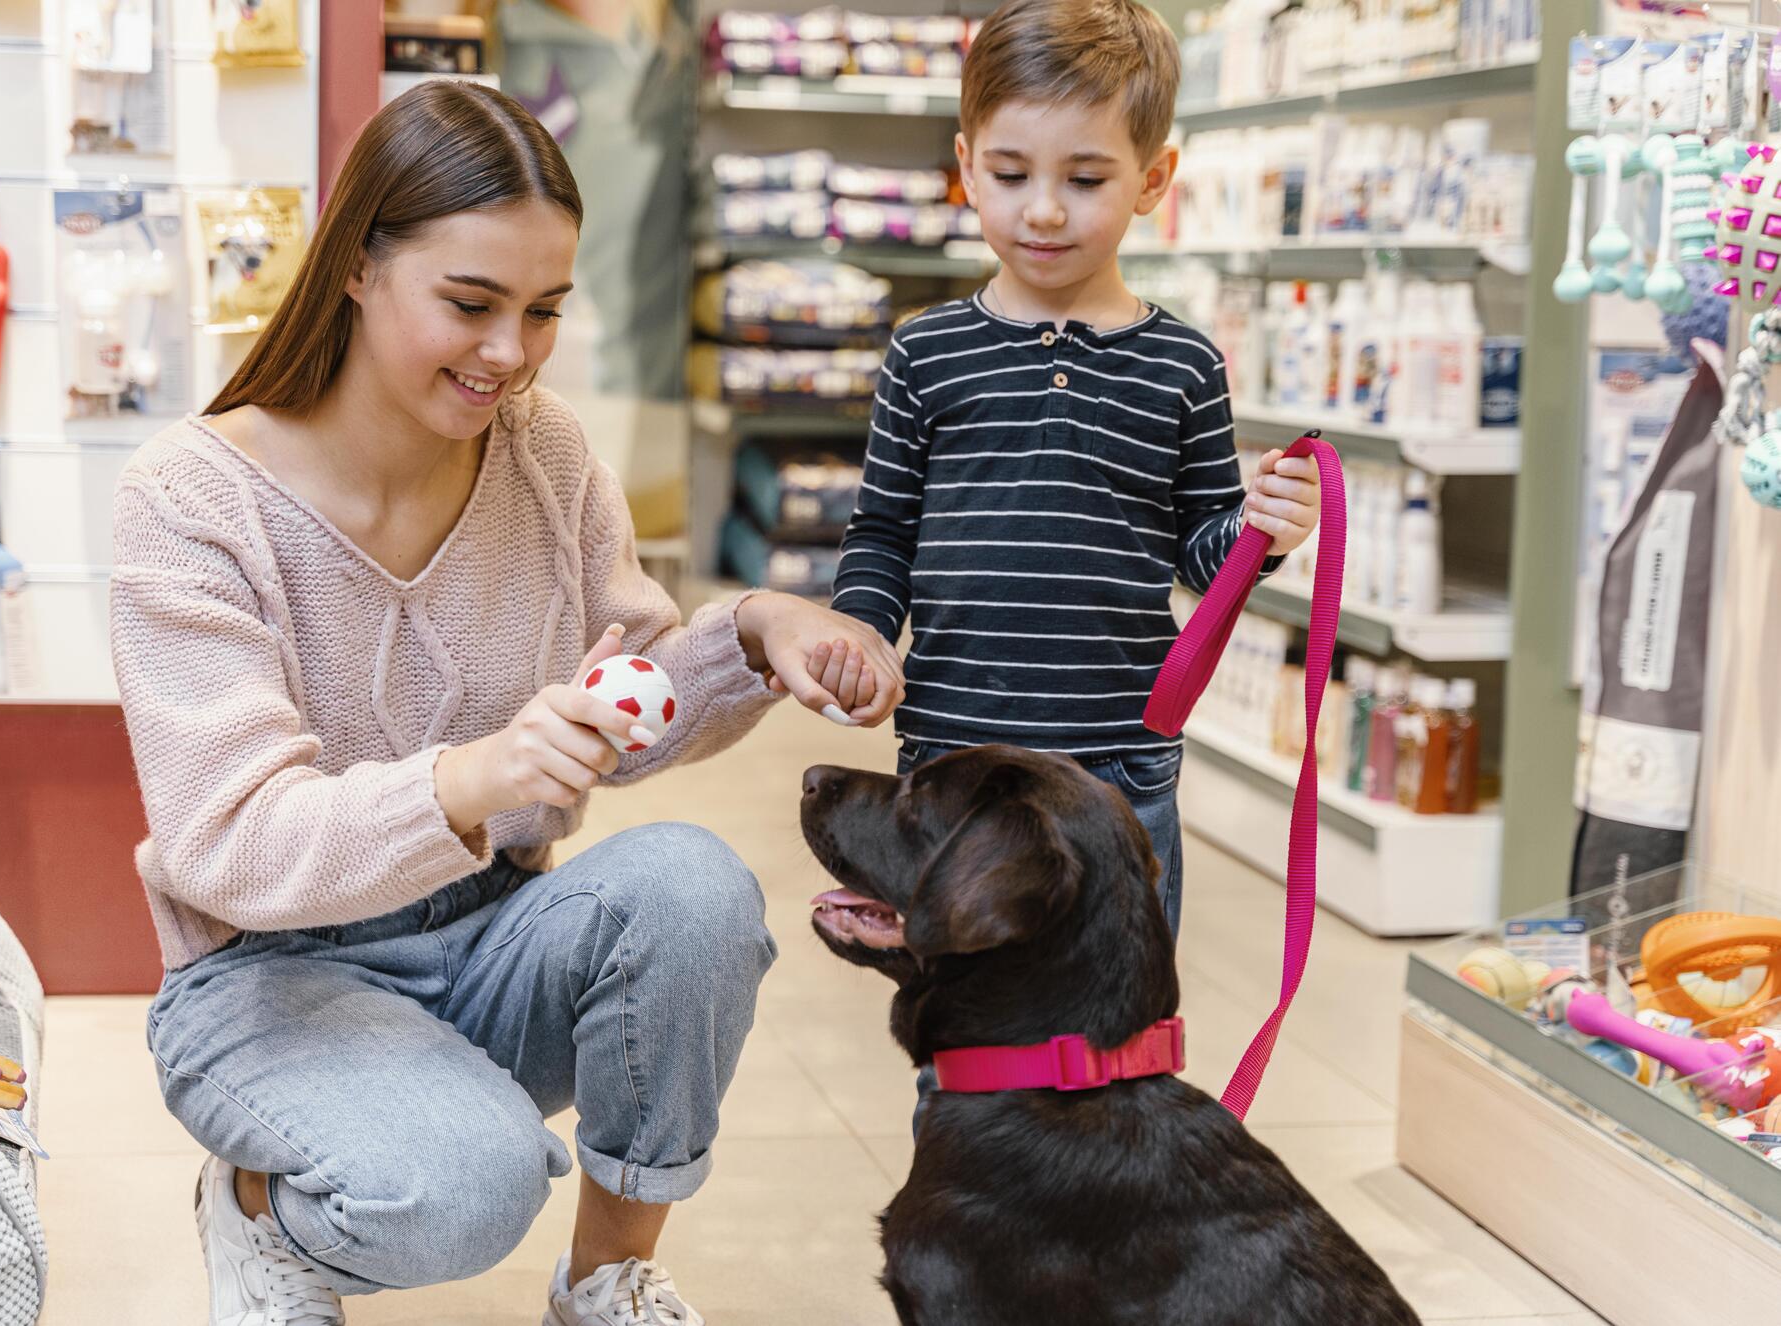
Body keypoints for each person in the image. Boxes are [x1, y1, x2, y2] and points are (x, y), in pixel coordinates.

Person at [109, 80, 900, 1326]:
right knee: (462, 1187)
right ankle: (254, 1206)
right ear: (358, 265)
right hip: (268, 978)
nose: (510, 355)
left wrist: (752, 631)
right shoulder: (193, 500)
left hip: (489, 936)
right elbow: (230, 840)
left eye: (541, 312)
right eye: (471, 305)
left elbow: (620, 703)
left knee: (694, 888)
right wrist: (475, 776)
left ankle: (606, 1279)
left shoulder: (542, 454)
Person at [826, 0, 1321, 942]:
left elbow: (1201, 556)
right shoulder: (924, 354)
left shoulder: (1184, 365)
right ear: (967, 167)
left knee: (1117, 1036)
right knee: (965, 1035)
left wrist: (1264, 526)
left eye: (1086, 178)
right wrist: (860, 630)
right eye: (1011, 174)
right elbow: (884, 531)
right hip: (953, 762)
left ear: (1154, 179)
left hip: (1119, 769)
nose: (1044, 209)